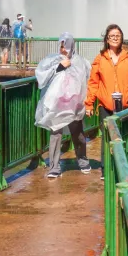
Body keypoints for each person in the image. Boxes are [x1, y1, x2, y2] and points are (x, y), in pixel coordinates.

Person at [85, 23, 128, 173]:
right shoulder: (100, 59)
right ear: (106, 39)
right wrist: (89, 104)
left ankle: (123, 169)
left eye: (117, 36)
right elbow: (93, 83)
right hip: (105, 106)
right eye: (112, 36)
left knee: (123, 137)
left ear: (122, 38)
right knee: (107, 139)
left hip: (125, 106)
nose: (115, 38)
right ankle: (106, 170)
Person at [35, 32, 91, 179]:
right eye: (61, 45)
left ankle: (83, 160)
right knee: (55, 133)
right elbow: (41, 77)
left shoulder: (81, 62)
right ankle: (54, 167)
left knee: (77, 133)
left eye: (65, 45)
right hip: (57, 104)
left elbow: (89, 80)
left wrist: (87, 101)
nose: (63, 48)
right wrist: (59, 67)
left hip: (75, 103)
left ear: (72, 46)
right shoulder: (53, 60)